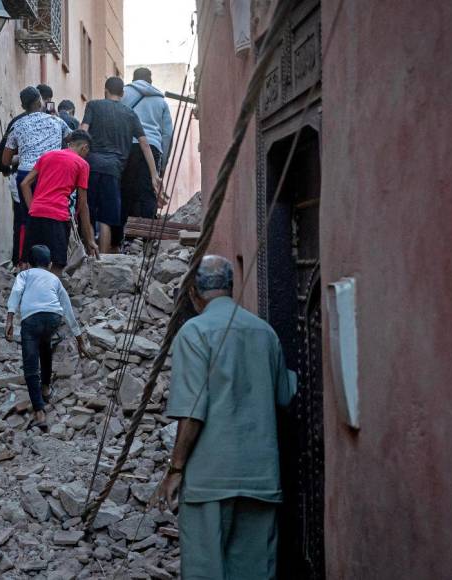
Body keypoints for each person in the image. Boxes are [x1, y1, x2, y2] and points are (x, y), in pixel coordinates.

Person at [157, 256, 297, 580]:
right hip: (261, 475)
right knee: (254, 570)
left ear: (194, 292)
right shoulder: (265, 333)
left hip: (210, 478)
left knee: (207, 569)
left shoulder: (194, 333)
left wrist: (175, 469)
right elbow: (284, 397)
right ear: (231, 288)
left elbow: (192, 411)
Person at [5, 245, 88, 429]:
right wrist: (79, 338)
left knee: (30, 363)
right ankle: (46, 387)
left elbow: (16, 294)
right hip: (53, 317)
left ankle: (40, 412)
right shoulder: (54, 279)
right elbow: (67, 307)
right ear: (50, 264)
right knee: (45, 346)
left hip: (31, 319)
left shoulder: (24, 275)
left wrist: (9, 319)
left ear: (27, 264)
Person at [80, 76, 162, 253]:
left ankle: (87, 257)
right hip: (114, 170)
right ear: (123, 94)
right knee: (106, 218)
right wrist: (154, 174)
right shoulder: (130, 114)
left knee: (86, 211)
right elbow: (145, 144)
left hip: (91, 167)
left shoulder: (93, 106)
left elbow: (82, 132)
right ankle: (102, 259)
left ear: (105, 91)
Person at [2, 86, 71, 266]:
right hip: (53, 174)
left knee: (28, 219)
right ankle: (56, 262)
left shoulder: (17, 125)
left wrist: (23, 155)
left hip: (26, 175)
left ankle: (24, 262)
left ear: (23, 106)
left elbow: (5, 159)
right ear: (40, 102)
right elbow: (72, 141)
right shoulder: (57, 122)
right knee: (54, 216)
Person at [19, 130, 99, 277]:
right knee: (58, 263)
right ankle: (48, 295)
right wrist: (89, 239)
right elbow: (83, 204)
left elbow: (25, 183)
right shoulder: (82, 164)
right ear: (84, 148)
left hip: (36, 214)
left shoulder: (47, 156)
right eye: (87, 153)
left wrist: (33, 208)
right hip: (58, 217)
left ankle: (28, 293)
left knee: (31, 261)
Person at [119, 67, 174, 234]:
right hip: (153, 147)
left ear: (133, 79)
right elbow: (167, 134)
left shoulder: (123, 94)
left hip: (127, 146)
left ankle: (124, 235)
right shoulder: (161, 102)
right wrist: (162, 163)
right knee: (148, 191)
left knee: (126, 189)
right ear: (150, 81)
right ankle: (145, 237)